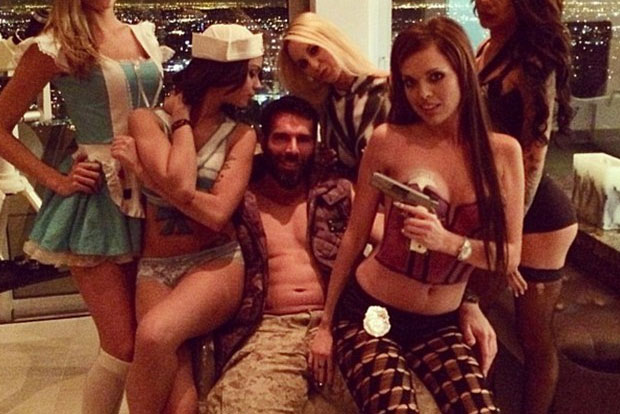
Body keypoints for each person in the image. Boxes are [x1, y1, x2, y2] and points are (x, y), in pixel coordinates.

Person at [205, 95, 501, 414]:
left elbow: (404, 246)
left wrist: (467, 302)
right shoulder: (240, 201)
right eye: (281, 138)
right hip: (272, 330)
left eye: (303, 139)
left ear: (316, 144)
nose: (292, 149)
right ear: (263, 140)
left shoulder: (338, 194)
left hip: (340, 325)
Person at [309, 17, 527, 414]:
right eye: (410, 82)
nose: (423, 94)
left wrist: (447, 242)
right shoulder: (388, 141)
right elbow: (355, 236)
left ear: (463, 72)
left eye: (435, 77)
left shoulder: (504, 154)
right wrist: (325, 324)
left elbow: (509, 255)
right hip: (371, 311)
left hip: (439, 323)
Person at [0, 1, 169, 413]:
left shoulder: (143, 34)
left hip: (153, 193)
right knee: (121, 346)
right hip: (98, 200)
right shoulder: (55, 45)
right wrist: (53, 179)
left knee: (151, 336)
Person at [111, 24, 263, 414]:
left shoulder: (240, 135)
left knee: (153, 335)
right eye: (250, 73)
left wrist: (146, 174)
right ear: (223, 73)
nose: (257, 85)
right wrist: (179, 123)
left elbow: (216, 214)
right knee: (181, 403)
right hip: (156, 268)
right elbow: (181, 184)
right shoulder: (146, 120)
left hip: (215, 263)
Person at [474, 0, 578, 412]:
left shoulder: (534, 62)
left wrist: (508, 234)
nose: (485, 3)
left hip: (538, 216)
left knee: (533, 336)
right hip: (497, 207)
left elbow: (534, 156)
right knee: (472, 315)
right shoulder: (485, 49)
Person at [278, 12, 390, 179]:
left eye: (314, 50)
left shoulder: (385, 89)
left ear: (330, 40)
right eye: (303, 64)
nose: (314, 65)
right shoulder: (325, 105)